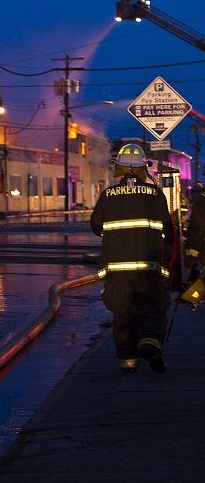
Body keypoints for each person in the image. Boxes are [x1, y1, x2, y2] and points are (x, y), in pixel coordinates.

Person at [91, 143, 174, 374]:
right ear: (143, 168)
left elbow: (96, 226)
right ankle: (150, 343)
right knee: (153, 308)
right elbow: (168, 230)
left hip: (118, 269)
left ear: (118, 168)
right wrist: (166, 260)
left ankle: (128, 362)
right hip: (150, 267)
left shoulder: (108, 195)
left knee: (123, 313)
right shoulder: (156, 195)